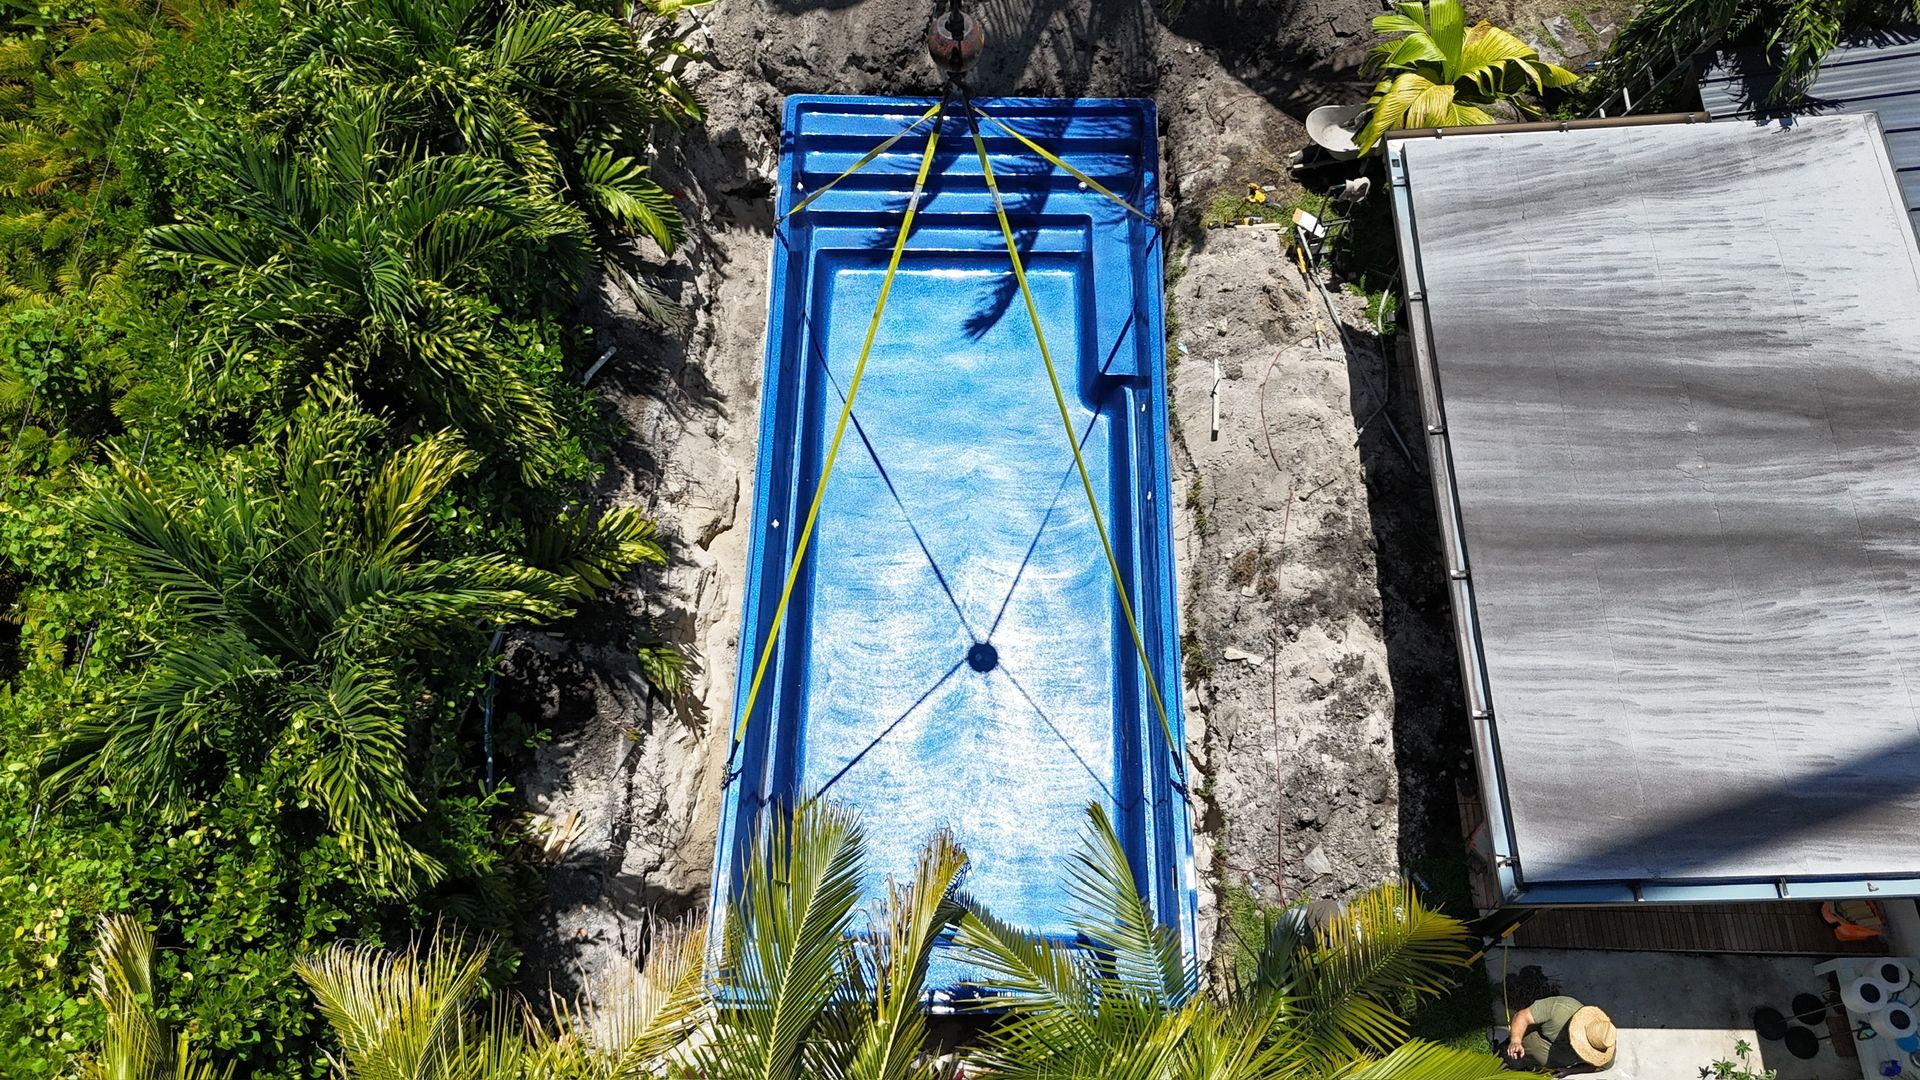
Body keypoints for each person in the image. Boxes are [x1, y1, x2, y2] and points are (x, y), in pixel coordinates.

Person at [1500, 996, 1617, 1073]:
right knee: (1500, 1061)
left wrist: (1570, 1071)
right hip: (1517, 1051)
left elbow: (1601, 1066)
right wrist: (1515, 1041)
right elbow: (1523, 1016)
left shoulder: (1603, 1044)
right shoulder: (1561, 1008)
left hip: (1542, 1068)